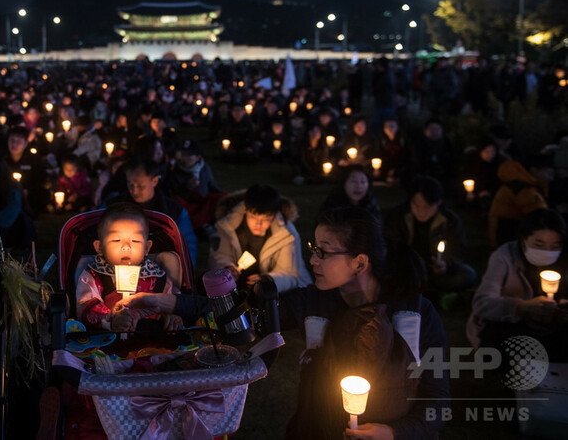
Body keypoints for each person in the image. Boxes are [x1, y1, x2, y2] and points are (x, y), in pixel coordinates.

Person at [119, 207, 449, 439]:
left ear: (360, 262)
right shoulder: (316, 300)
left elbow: (437, 400)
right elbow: (240, 313)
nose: (313, 260)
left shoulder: (416, 317)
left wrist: (393, 432)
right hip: (317, 429)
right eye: (313, 248)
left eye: (324, 252)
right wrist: (163, 301)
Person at [467, 209, 568, 360]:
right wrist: (522, 306)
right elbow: (482, 303)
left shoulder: (564, 260)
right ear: (523, 240)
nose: (547, 251)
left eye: (554, 246)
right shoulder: (505, 256)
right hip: (513, 325)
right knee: (497, 347)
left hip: (552, 327)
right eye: (539, 244)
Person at [76, 202, 182, 332]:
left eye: (135, 241)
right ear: (100, 247)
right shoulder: (94, 276)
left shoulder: (158, 277)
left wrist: (172, 316)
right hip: (108, 342)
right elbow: (84, 306)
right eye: (116, 240)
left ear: (147, 247)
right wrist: (110, 319)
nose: (126, 246)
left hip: (152, 341)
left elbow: (175, 302)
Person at [384, 176, 476, 297]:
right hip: (407, 271)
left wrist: (446, 264)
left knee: (467, 274)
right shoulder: (398, 217)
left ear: (438, 202)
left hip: (435, 272)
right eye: (416, 205)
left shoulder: (449, 220)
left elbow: (459, 250)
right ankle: (430, 293)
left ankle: (424, 291)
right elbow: (389, 247)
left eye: (427, 207)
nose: (421, 211)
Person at [209, 184, 311, 294]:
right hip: (237, 289)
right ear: (246, 210)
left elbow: (291, 274)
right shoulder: (228, 226)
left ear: (274, 214)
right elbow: (219, 256)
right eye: (253, 217)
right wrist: (227, 268)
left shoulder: (286, 234)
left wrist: (268, 280)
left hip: (276, 292)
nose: (259, 224)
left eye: (266, 218)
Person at [109, 157, 197, 263]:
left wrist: (185, 272)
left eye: (141, 186)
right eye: (131, 185)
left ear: (154, 181)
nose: (135, 191)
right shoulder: (113, 207)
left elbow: (187, 246)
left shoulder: (173, 211)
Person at [488, 157, 551, 248]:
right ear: (535, 170)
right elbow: (540, 215)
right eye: (549, 173)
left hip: (503, 234)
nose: (551, 177)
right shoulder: (523, 189)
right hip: (508, 237)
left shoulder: (520, 185)